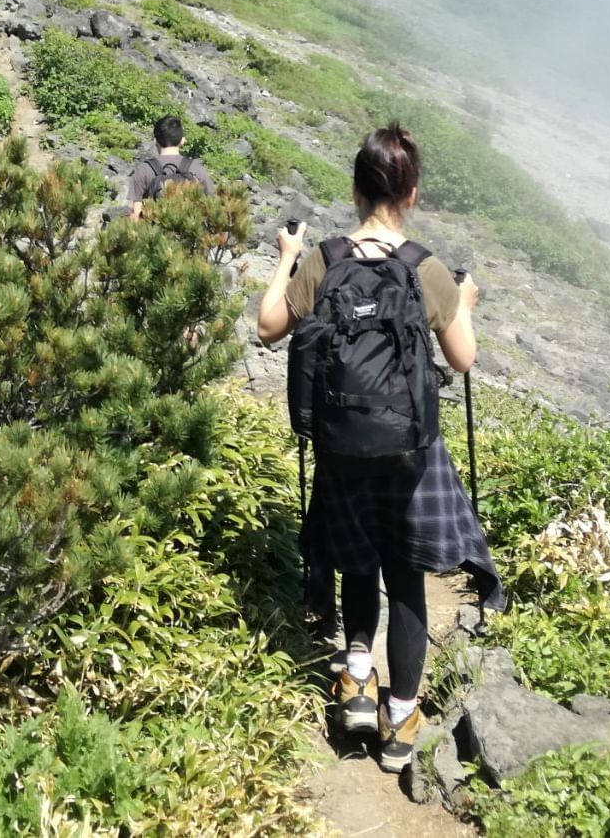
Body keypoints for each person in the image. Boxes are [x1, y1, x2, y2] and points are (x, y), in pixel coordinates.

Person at [256, 123, 503, 774]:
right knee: (407, 586)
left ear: (356, 187)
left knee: (357, 566)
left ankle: (356, 681)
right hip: (409, 454)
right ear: (411, 193)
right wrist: (465, 302)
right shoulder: (423, 267)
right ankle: (399, 723)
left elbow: (266, 327)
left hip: (341, 448)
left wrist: (287, 255)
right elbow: (463, 357)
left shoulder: (326, 259)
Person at [127, 115, 214, 220]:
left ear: (155, 141)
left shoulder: (144, 169)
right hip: (189, 233)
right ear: (182, 141)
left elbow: (136, 214)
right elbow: (212, 206)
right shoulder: (196, 169)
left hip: (154, 234)